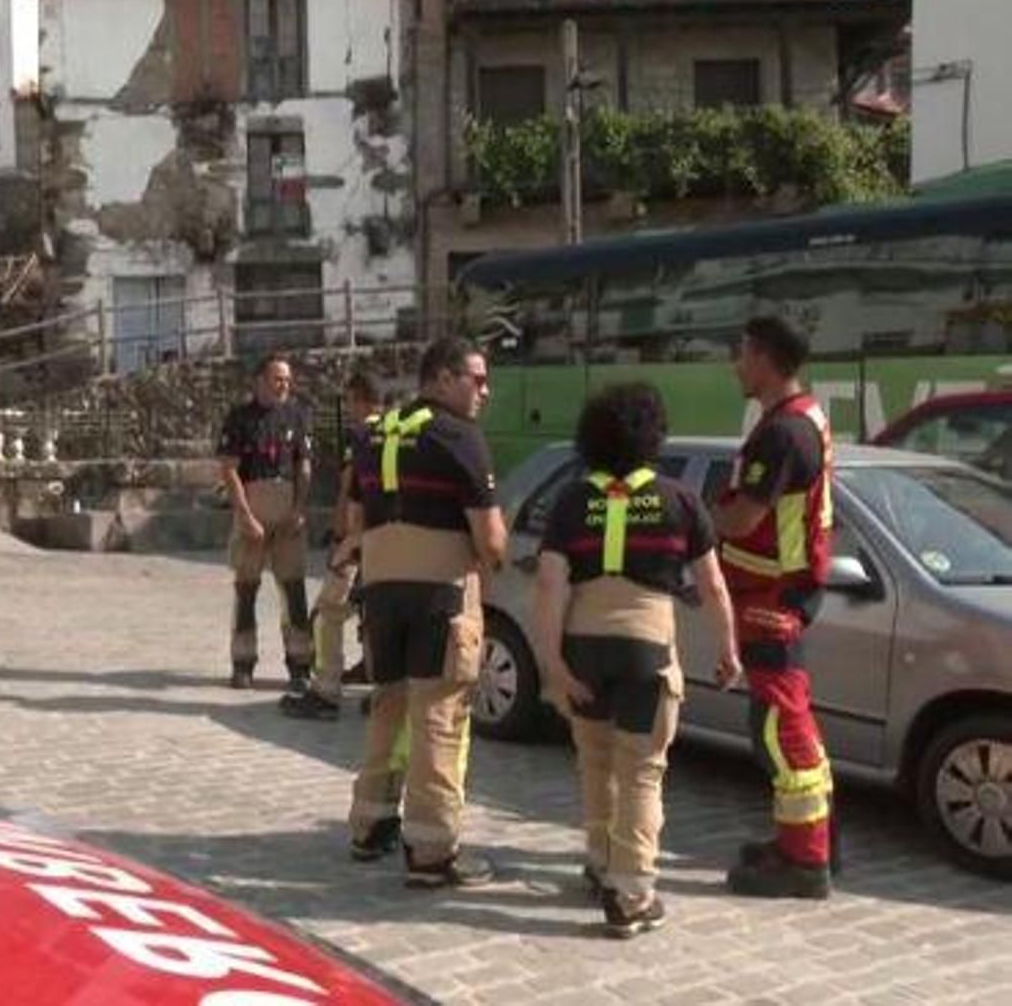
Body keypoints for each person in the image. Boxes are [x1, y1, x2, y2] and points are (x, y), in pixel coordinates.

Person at [533, 383, 741, 938]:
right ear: (654, 435)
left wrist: (553, 661)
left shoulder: (572, 501)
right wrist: (728, 647)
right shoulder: (681, 501)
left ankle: (601, 863)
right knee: (643, 774)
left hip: (584, 648)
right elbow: (713, 586)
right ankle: (631, 894)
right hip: (647, 652)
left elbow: (551, 584)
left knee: (595, 762)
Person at [344, 336, 506, 886]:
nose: (485, 390)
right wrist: (495, 562)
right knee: (440, 717)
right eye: (475, 379)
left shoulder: (371, 435)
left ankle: (369, 824)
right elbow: (490, 537)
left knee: (387, 706)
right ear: (440, 377)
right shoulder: (460, 438)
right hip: (441, 593)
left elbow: (355, 518)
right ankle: (433, 852)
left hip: (383, 591)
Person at [714, 316, 838, 899]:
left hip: (771, 597)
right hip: (783, 592)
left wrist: (694, 522)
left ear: (763, 358)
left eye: (741, 354)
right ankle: (807, 840)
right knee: (791, 722)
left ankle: (805, 860)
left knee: (779, 727)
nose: (736, 364)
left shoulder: (783, 433)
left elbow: (743, 519)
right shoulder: (803, 417)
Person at [282, 372, 382, 721]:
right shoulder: (398, 433)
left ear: (360, 399)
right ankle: (382, 692)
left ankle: (326, 691)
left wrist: (341, 534)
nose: (350, 409)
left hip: (356, 539)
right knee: (375, 615)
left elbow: (349, 487)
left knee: (329, 611)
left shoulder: (361, 437)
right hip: (388, 539)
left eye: (351, 400)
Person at [217, 355, 316, 691]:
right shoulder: (240, 418)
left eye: (287, 379)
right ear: (260, 380)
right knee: (246, 588)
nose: (283, 385)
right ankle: (243, 663)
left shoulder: (298, 414)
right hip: (254, 504)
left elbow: (304, 466)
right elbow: (229, 469)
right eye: (277, 379)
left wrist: (300, 509)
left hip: (288, 505)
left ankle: (300, 664)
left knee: (294, 589)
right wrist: (244, 516)